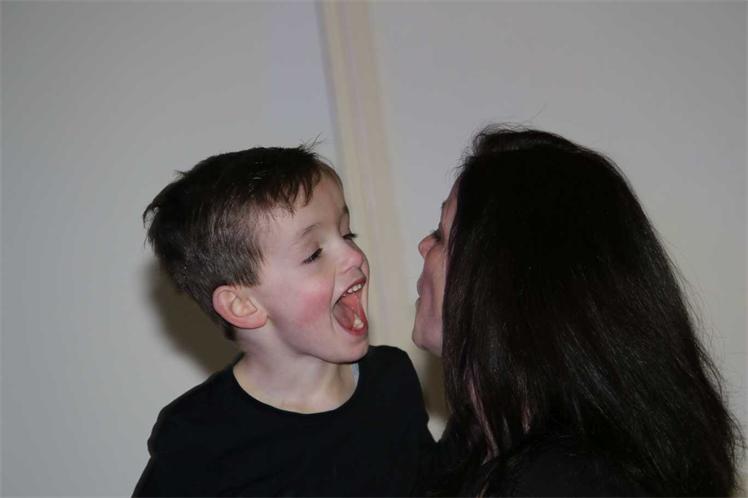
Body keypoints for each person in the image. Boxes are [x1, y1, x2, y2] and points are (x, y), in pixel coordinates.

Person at [413, 127, 742, 496]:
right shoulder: (473, 447)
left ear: (501, 282)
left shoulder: (571, 482)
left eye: (440, 235)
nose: (424, 246)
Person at [134, 145, 433, 496]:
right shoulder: (198, 436)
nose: (353, 255)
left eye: (347, 234)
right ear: (242, 305)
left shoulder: (391, 380)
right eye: (314, 254)